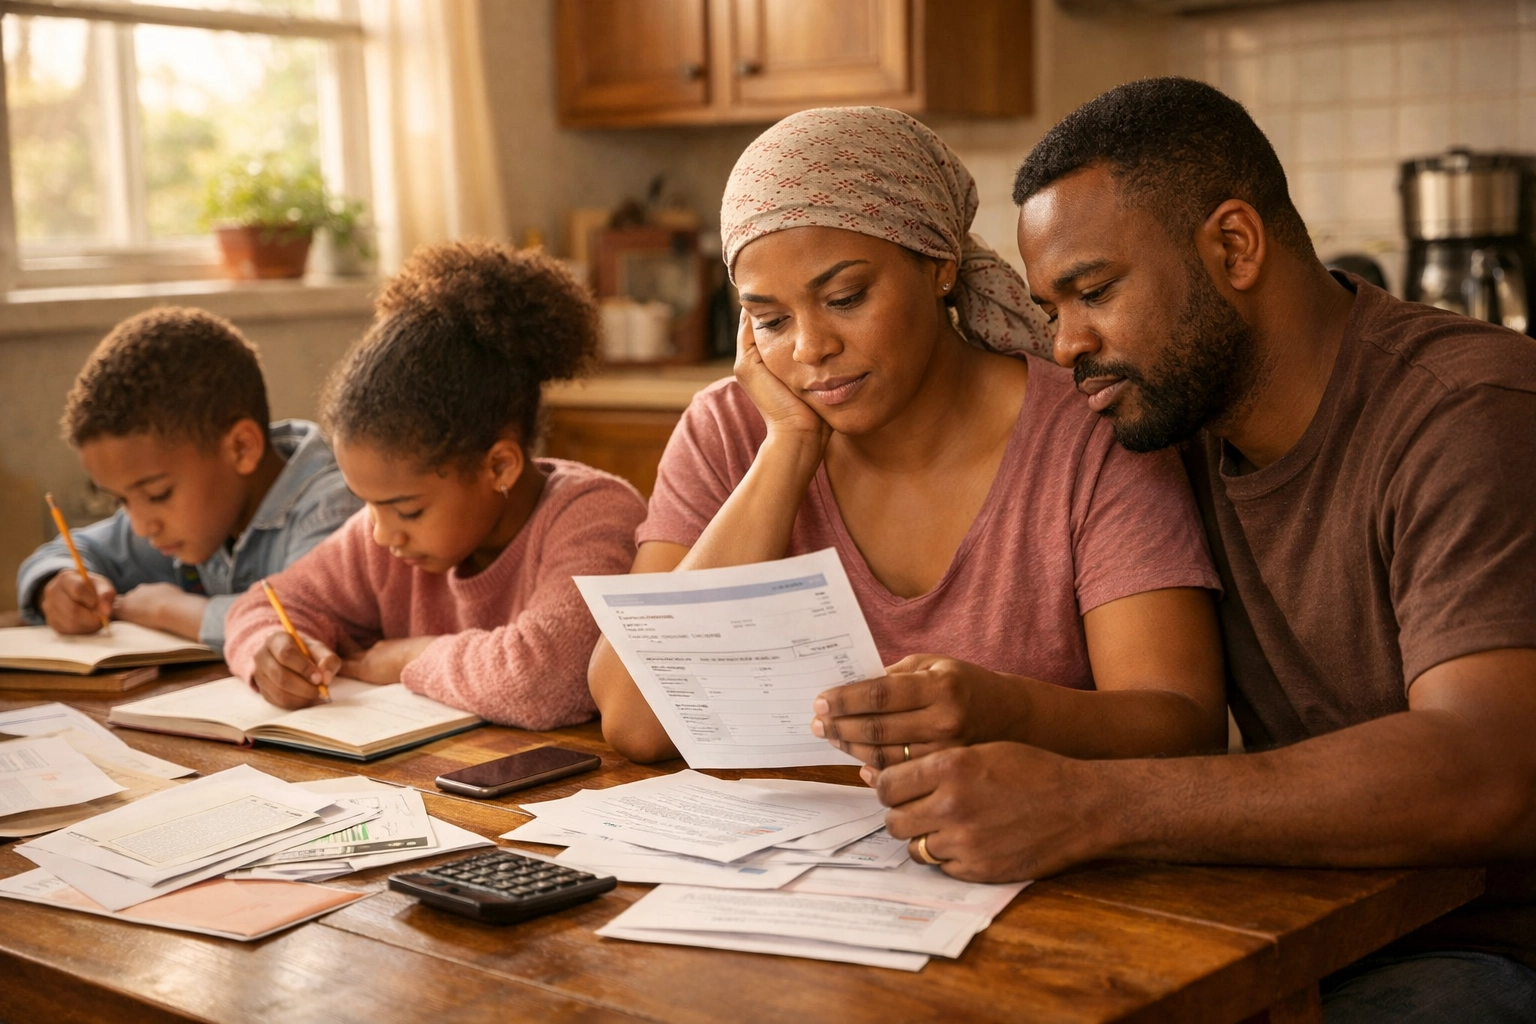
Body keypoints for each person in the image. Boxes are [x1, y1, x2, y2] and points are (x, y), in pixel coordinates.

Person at [863, 77, 1536, 1021]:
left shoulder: (1470, 412)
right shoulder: (1174, 428)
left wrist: (1092, 806)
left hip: (1487, 951)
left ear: (1233, 246)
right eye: (1052, 308)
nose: (1064, 346)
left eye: (1093, 292)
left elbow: (1491, 768)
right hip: (1293, 921)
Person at [588, 105, 1227, 765]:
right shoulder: (728, 431)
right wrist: (787, 451)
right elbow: (638, 725)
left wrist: (1004, 712)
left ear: (938, 264)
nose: (812, 348)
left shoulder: (1087, 435)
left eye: (845, 299)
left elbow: (1181, 725)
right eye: (771, 320)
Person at [222, 241, 646, 729]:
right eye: (368, 505)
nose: (380, 533)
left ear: (500, 467)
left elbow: (543, 682)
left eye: (407, 510)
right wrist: (269, 649)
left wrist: (406, 659)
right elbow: (262, 604)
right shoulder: (386, 536)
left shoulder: (594, 516)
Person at [16, 307, 359, 655]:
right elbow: (72, 550)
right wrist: (57, 585)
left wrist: (169, 610)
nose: (140, 527)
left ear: (241, 448)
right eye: (120, 501)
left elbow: (309, 621)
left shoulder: (332, 506)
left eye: (157, 494)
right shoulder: (188, 516)